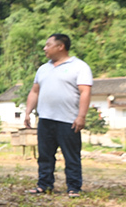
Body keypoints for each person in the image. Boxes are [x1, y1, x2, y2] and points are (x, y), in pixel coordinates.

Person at [23, 34, 92, 197]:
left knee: (71, 155)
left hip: (68, 120)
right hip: (45, 119)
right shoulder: (43, 68)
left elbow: (85, 92)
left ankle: (74, 187)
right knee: (45, 155)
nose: (44, 48)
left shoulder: (79, 67)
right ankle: (44, 185)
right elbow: (35, 91)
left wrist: (81, 116)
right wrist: (27, 112)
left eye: (48, 45)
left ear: (60, 46)